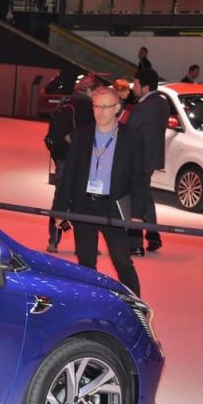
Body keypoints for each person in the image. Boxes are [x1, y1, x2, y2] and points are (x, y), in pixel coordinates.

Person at [53, 87, 146, 296]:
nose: (99, 112)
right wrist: (59, 209)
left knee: (122, 262)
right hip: (84, 205)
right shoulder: (81, 135)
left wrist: (138, 214)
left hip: (113, 206)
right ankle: (91, 303)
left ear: (117, 108)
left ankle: (136, 306)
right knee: (86, 263)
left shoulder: (131, 137)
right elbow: (69, 175)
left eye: (105, 107)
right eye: (96, 106)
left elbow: (138, 178)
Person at [46, 74, 96, 252]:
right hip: (80, 161)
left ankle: (53, 240)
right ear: (91, 90)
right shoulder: (89, 108)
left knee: (60, 198)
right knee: (83, 201)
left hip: (62, 158)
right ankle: (84, 243)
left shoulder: (65, 102)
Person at [126, 67, 168, 255]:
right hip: (152, 159)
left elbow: (128, 131)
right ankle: (153, 235)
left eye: (135, 85)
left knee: (136, 199)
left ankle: (135, 244)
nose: (133, 88)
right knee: (145, 197)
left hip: (138, 160)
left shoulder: (142, 108)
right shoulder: (162, 103)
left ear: (145, 87)